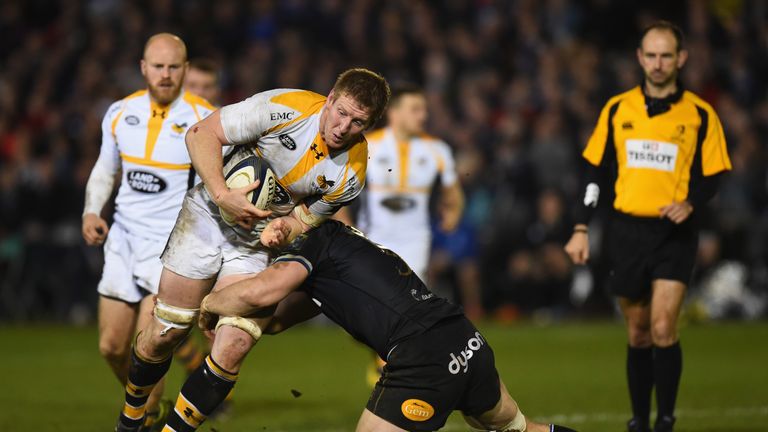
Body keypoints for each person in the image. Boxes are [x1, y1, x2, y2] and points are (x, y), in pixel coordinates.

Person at [114, 68, 390, 431]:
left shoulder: (352, 173)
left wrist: (283, 229)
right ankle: (132, 418)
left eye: (358, 122)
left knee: (235, 343)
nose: (344, 127)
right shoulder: (285, 107)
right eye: (342, 112)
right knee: (167, 332)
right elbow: (202, 133)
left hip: (255, 244)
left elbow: (303, 221)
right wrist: (223, 194)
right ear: (331, 98)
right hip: (208, 216)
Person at [185, 218, 577, 432]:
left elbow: (261, 292)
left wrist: (207, 304)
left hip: (422, 357)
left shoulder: (317, 241)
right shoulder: (343, 255)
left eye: (272, 219)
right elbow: (274, 320)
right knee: (518, 429)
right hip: (464, 338)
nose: (267, 231)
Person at [564, 21, 731, 432]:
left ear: (681, 59)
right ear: (640, 58)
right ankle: (639, 419)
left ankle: (666, 419)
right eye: (651, 55)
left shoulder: (700, 115)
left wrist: (690, 202)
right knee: (638, 333)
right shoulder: (618, 109)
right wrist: (581, 226)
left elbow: (714, 174)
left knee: (662, 326)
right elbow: (593, 170)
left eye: (666, 56)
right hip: (626, 232)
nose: (658, 63)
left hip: (673, 234)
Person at [81, 33, 215, 430]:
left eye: (174, 67)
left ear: (185, 69)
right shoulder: (120, 113)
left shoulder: (205, 119)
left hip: (171, 250)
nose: (166, 74)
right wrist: (92, 211)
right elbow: (106, 169)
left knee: (147, 351)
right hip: (122, 242)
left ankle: (144, 417)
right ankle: (147, 406)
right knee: (111, 347)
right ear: (143, 68)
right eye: (158, 66)